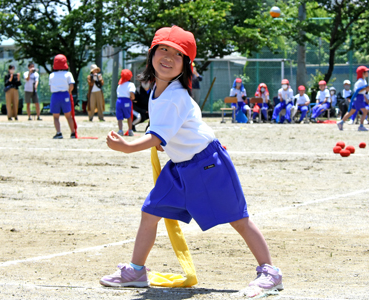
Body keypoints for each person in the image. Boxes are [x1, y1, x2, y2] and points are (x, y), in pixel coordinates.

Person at [100, 25, 283, 293]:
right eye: (163, 49)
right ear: (151, 54)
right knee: (150, 213)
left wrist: (127, 147)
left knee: (238, 218)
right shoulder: (156, 89)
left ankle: (270, 272)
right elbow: (172, 129)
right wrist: (170, 142)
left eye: (177, 54)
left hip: (208, 165)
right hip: (180, 168)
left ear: (185, 65)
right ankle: (136, 271)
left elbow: (156, 136)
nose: (168, 57)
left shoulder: (174, 94)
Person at [337, 66, 369, 131]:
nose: (367, 72)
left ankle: (341, 122)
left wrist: (368, 89)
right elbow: (357, 90)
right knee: (365, 112)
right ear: (362, 73)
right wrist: (368, 88)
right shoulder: (360, 81)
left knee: (351, 111)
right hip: (358, 97)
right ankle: (361, 126)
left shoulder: (363, 80)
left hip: (360, 97)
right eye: (366, 71)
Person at [49, 54, 76, 139]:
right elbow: (71, 85)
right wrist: (69, 92)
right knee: (68, 116)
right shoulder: (68, 74)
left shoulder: (52, 75)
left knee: (56, 117)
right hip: (65, 95)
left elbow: (50, 87)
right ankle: (72, 133)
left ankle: (58, 133)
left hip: (55, 95)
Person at [116, 69, 137, 136]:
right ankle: (130, 130)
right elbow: (131, 92)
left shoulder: (119, 85)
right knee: (129, 116)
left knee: (119, 117)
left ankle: (120, 130)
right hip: (127, 101)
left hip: (119, 101)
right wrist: (133, 98)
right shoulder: (131, 84)